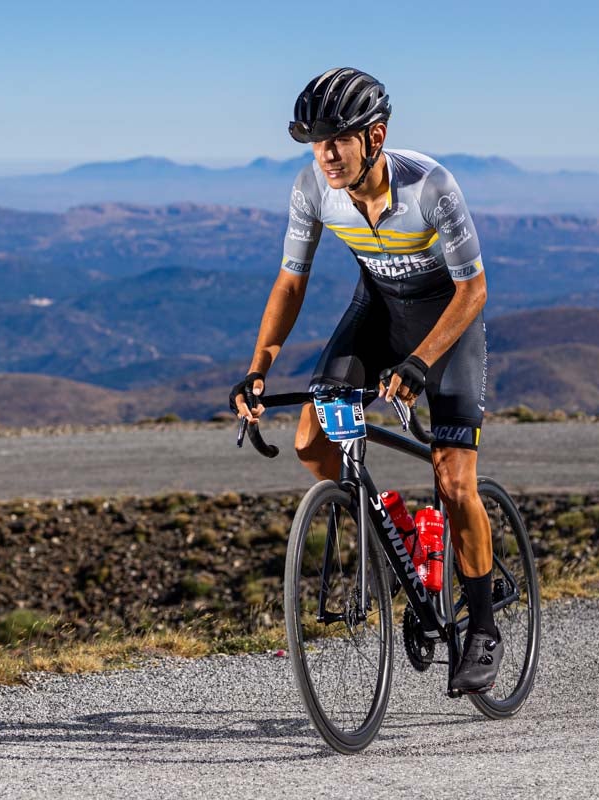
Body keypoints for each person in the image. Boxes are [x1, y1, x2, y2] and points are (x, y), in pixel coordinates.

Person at [231, 67, 500, 693]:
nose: (324, 154)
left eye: (337, 140)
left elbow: (474, 290)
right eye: (315, 142)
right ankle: (398, 535)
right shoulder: (312, 188)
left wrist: (419, 365)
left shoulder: (430, 186)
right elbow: (290, 283)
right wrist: (258, 370)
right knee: (311, 443)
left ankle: (482, 626)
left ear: (374, 137)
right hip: (377, 313)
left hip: (447, 323)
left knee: (455, 482)